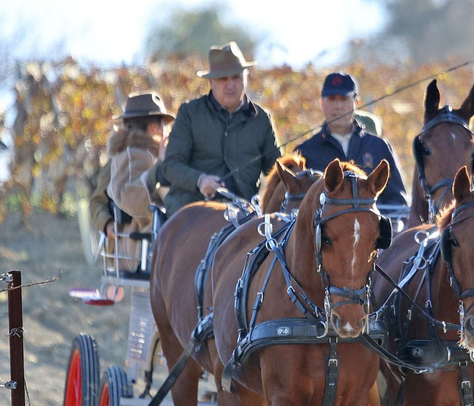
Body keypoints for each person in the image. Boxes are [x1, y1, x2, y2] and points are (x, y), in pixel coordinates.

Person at [156, 41, 279, 211]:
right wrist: (200, 180)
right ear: (211, 82)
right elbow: (171, 166)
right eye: (223, 79)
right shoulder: (190, 113)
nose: (230, 84)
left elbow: (276, 171)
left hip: (244, 215)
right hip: (192, 211)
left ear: (245, 77)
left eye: (236, 77)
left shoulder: (262, 119)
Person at [90, 91, 174, 273]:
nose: (166, 130)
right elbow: (98, 201)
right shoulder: (122, 160)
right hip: (138, 250)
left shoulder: (150, 155)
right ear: (154, 127)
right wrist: (107, 223)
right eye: (163, 125)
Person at [296, 72, 406, 209]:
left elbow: (398, 201)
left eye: (343, 99)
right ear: (322, 103)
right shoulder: (305, 152)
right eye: (332, 99)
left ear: (356, 102)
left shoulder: (379, 147)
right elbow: (295, 207)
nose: (337, 106)